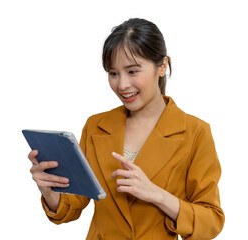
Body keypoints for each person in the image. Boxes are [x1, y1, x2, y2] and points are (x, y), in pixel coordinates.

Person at [28, 18, 224, 240]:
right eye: (113, 73)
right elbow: (73, 203)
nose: (121, 85)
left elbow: (211, 221)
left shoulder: (195, 132)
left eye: (132, 71)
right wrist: (49, 191)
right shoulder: (95, 126)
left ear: (162, 66)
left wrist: (157, 195)